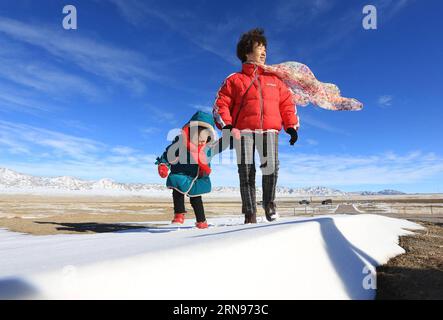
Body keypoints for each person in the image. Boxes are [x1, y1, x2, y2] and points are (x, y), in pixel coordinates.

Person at [212, 28, 299, 224]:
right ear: (246, 52)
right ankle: (250, 213)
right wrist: (227, 125)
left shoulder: (275, 80)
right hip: (243, 132)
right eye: (259, 47)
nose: (264, 51)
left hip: (269, 130)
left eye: (265, 48)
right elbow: (221, 103)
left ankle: (269, 203)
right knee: (246, 171)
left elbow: (286, 104)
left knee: (271, 167)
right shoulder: (234, 79)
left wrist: (291, 126)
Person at [155, 111, 218, 229]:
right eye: (198, 138)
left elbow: (207, 161)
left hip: (196, 177)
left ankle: (201, 221)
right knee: (177, 190)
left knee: (196, 199)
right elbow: (169, 154)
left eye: (204, 139)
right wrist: (163, 164)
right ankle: (179, 214)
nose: (201, 142)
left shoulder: (206, 149)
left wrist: (205, 170)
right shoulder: (180, 144)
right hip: (181, 172)